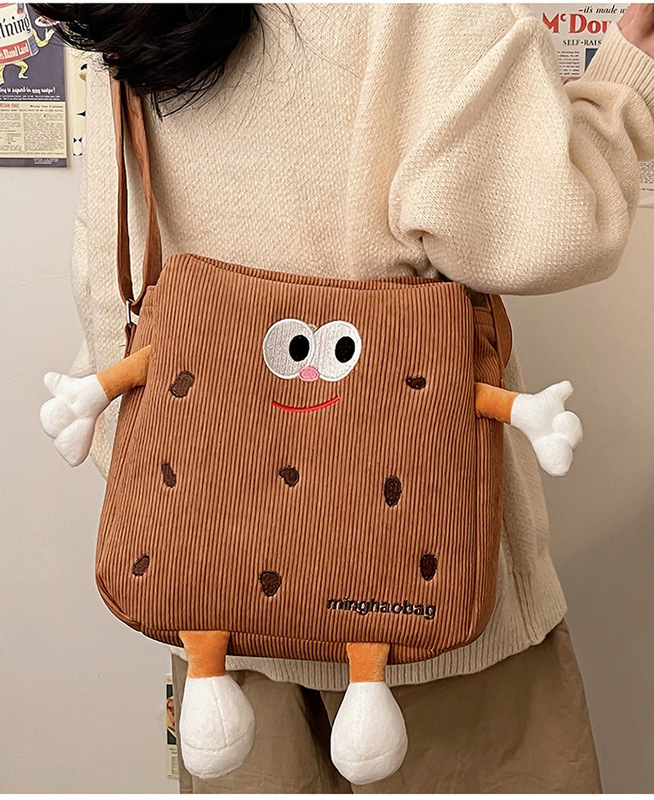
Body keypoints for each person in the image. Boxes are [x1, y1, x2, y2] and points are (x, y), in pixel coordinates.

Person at [33, 2, 654, 793]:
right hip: (428, 614)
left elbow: (110, 277)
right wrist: (624, 81)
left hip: (217, 608)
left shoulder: (131, 11)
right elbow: (549, 229)